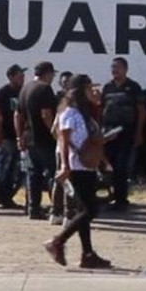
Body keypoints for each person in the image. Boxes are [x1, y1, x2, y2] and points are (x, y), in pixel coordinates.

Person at [43, 73, 113, 270]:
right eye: (89, 88)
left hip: (87, 164)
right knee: (90, 209)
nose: (93, 91)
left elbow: (93, 135)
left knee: (85, 210)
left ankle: (87, 254)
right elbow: (63, 139)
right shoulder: (69, 113)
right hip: (76, 166)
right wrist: (64, 165)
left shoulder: (85, 112)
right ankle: (57, 241)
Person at [100, 57, 146, 211]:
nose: (114, 70)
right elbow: (101, 110)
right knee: (108, 167)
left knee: (121, 166)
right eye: (112, 67)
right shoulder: (107, 87)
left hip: (126, 132)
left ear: (125, 69)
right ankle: (110, 196)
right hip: (108, 132)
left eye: (117, 67)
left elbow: (141, 112)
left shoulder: (133, 87)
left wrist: (139, 133)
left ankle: (121, 200)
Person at [16, 62, 58, 220]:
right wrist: (55, 133)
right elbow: (46, 114)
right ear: (47, 73)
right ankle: (57, 208)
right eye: (52, 74)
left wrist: (19, 136)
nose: (53, 77)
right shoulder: (44, 89)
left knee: (33, 174)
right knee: (54, 174)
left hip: (29, 138)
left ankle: (33, 208)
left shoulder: (25, 89)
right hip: (45, 139)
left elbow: (18, 115)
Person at [0, 64, 26, 209]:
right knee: (4, 167)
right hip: (7, 135)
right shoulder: (3, 92)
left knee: (14, 170)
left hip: (19, 135)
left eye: (23, 75)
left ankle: (7, 198)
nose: (22, 78)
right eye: (19, 75)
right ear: (11, 77)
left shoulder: (23, 92)